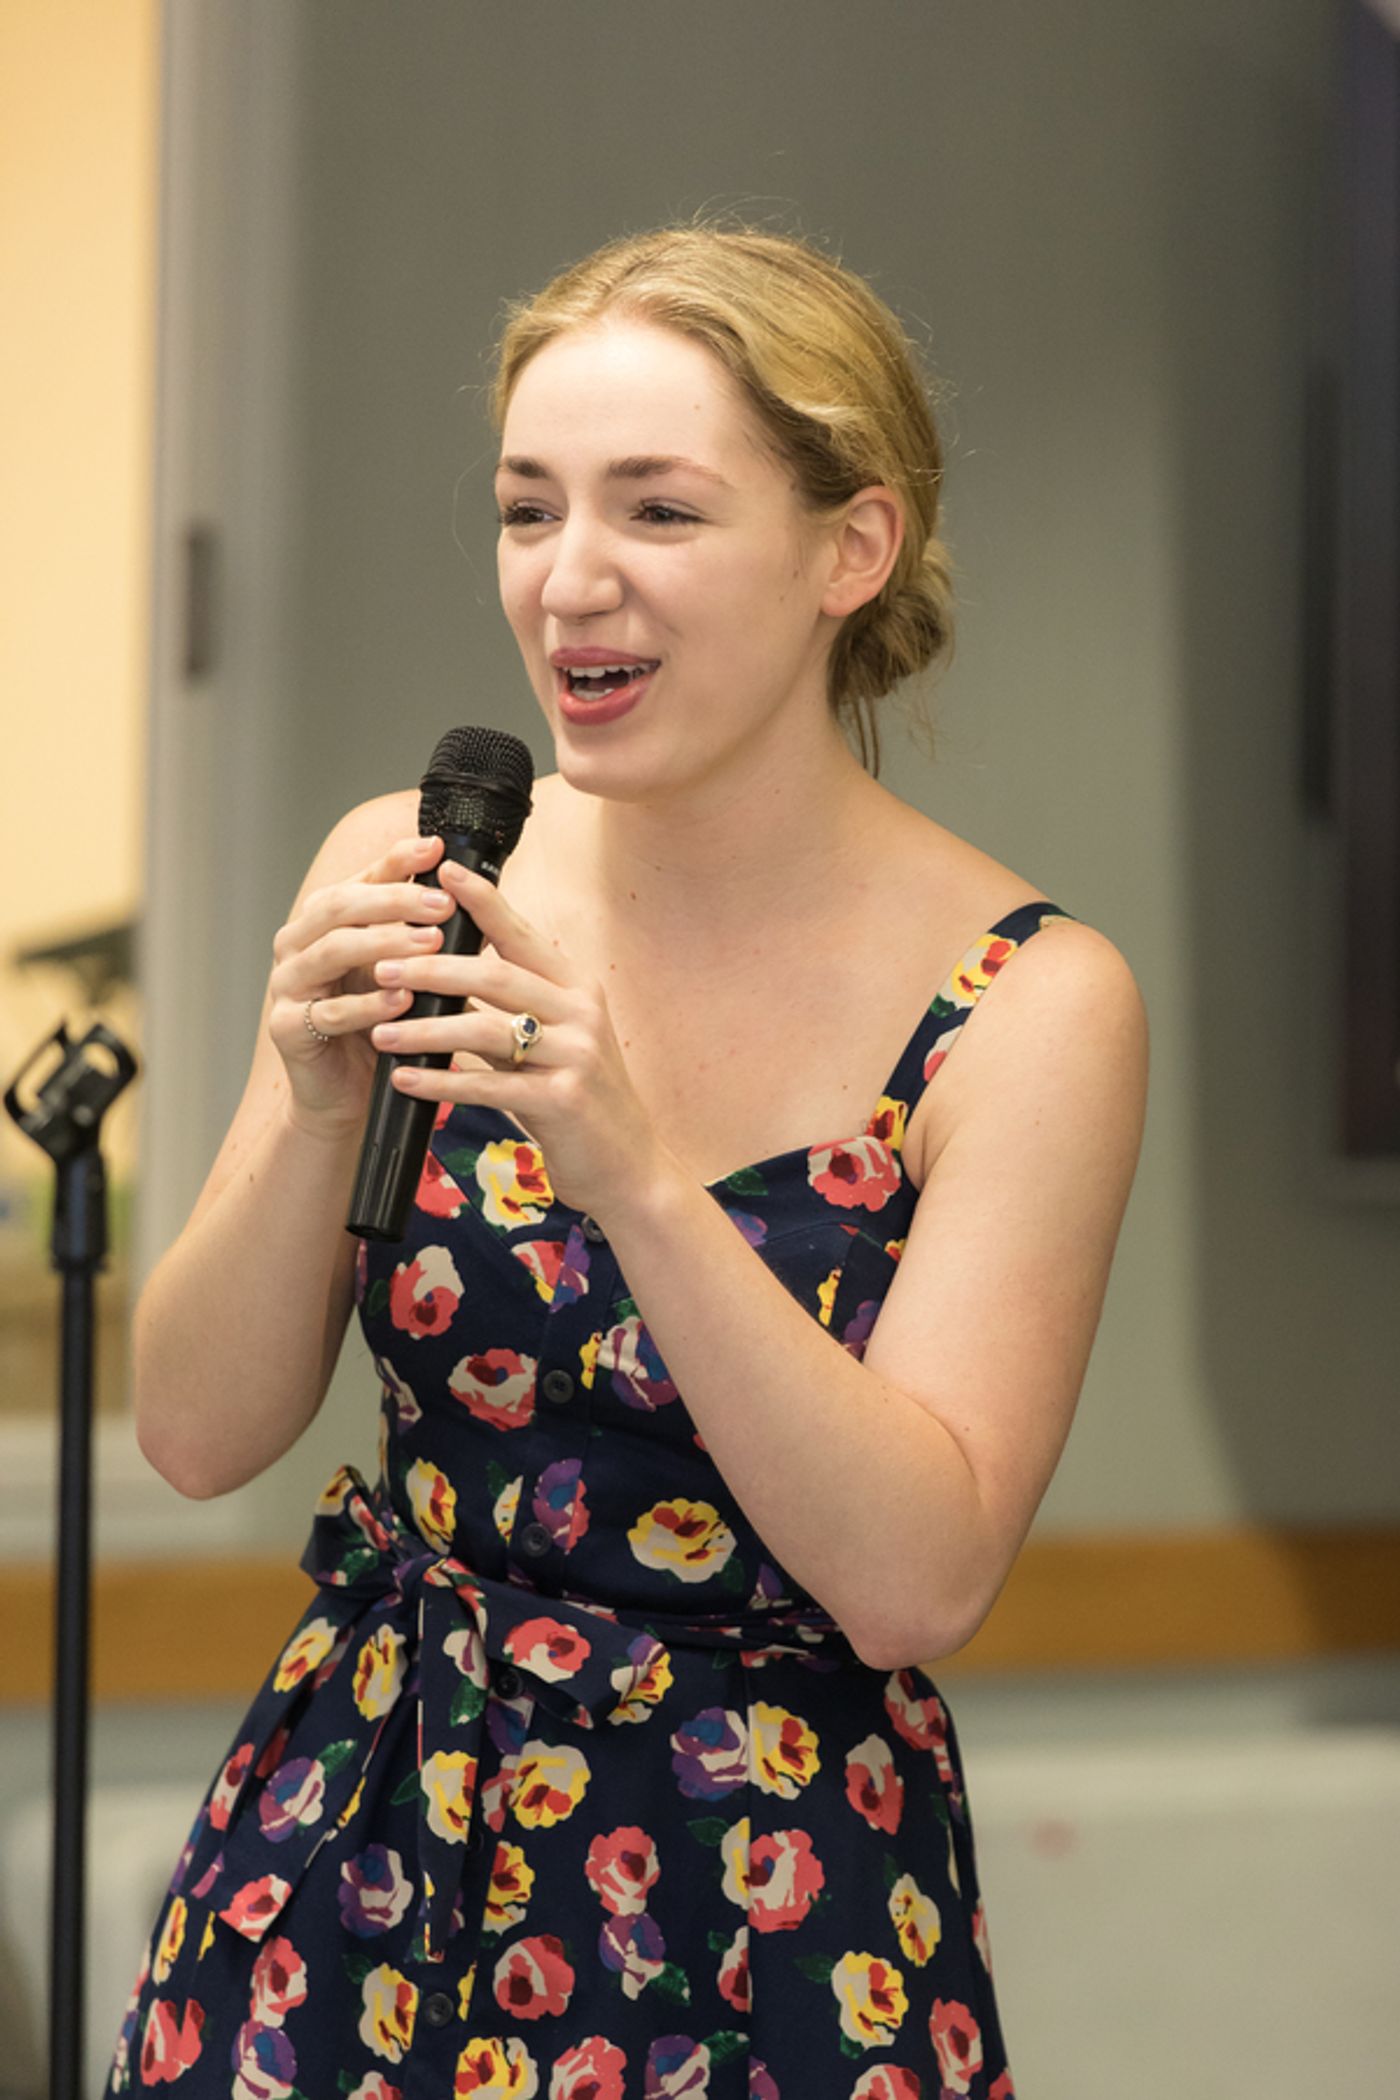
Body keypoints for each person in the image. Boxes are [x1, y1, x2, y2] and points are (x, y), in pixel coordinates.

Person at [108, 223, 1147, 2098]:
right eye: (528, 510)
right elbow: (189, 1434)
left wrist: (642, 1182)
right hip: (360, 1845)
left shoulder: (1034, 1004)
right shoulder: (418, 863)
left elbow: (917, 1587)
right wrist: (318, 1101)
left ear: (853, 548)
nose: (568, 583)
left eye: (657, 513)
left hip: (764, 1908)